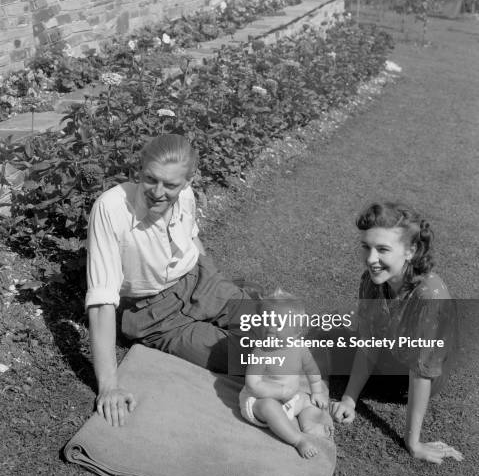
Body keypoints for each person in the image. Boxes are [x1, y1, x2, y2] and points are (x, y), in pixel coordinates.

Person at [86, 134, 251, 427]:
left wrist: (210, 270)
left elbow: (191, 236)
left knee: (275, 325)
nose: (158, 192)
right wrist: (110, 386)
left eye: (171, 185)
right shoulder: (110, 210)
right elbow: (101, 302)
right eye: (151, 179)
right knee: (247, 356)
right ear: (140, 170)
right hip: (157, 315)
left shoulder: (186, 195)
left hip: (200, 279)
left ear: (188, 181)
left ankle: (356, 362)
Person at [330, 202, 463, 464]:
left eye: (382, 249)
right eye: (365, 247)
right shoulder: (371, 279)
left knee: (310, 345)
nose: (370, 259)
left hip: (408, 379)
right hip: (388, 353)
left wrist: (413, 443)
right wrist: (348, 399)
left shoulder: (430, 297)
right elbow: (367, 342)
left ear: (410, 251)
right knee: (313, 339)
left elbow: (421, 371)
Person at [239, 288, 333, 458]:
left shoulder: (299, 348)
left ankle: (310, 421)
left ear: (296, 332)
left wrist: (317, 392)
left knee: (307, 400)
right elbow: (252, 385)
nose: (270, 328)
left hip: (290, 399)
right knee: (270, 407)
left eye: (279, 323)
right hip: (259, 401)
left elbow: (312, 370)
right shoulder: (262, 352)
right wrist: (280, 392)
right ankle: (298, 440)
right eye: (266, 321)